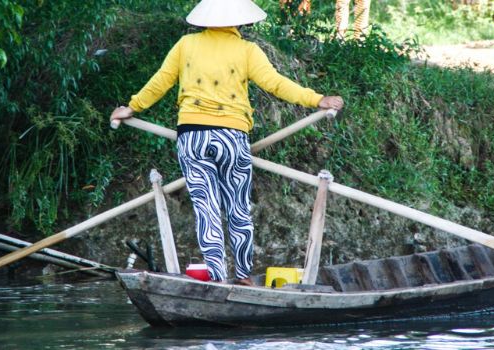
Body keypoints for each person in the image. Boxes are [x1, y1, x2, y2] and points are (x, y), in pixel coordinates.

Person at [110, 0, 344, 286]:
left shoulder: (186, 45)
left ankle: (218, 279)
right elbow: (276, 83)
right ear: (240, 20)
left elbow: (160, 82)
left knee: (206, 209)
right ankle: (244, 276)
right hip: (232, 138)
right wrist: (317, 99)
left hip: (192, 138)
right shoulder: (247, 50)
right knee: (238, 208)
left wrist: (132, 107)